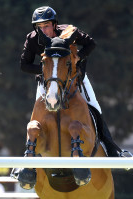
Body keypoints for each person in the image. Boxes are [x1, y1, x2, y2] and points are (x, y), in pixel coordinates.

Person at [20, 6, 122, 157]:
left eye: (46, 26)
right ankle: (27, 158)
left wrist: (78, 57)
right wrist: (50, 71)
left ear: (54, 24)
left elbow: (91, 44)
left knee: (95, 107)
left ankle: (111, 149)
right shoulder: (33, 38)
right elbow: (24, 65)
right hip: (48, 82)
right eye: (39, 27)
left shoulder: (68, 32)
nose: (43, 30)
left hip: (76, 79)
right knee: (36, 118)